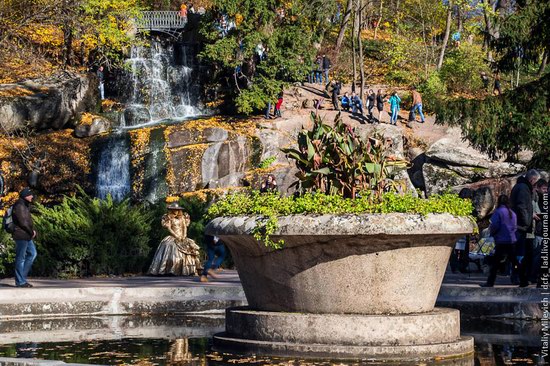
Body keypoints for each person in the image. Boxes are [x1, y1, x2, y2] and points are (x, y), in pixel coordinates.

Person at [148, 203, 202, 276]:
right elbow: (169, 228)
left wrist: (184, 235)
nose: (175, 211)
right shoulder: (169, 218)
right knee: (169, 247)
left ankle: (188, 270)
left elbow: (184, 227)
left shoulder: (182, 218)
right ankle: (169, 270)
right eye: (174, 210)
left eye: (177, 210)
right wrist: (176, 236)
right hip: (173, 237)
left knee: (191, 249)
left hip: (182, 237)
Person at [510, 169, 540, 287]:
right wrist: (527, 221)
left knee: (521, 253)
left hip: (519, 225)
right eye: (535, 182)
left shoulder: (521, 186)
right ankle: (517, 276)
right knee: (519, 253)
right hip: (520, 226)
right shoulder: (523, 188)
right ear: (532, 179)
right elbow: (522, 207)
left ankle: (519, 276)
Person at [481, 195, 518, 287]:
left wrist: (493, 233)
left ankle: (490, 282)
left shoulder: (498, 212)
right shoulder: (512, 213)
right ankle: (522, 278)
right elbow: (515, 226)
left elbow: (494, 225)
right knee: (515, 262)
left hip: (501, 240)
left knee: (495, 263)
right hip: (511, 240)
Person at [12, 188, 37, 288]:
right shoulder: (19, 206)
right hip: (21, 234)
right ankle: (20, 281)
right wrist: (31, 232)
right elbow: (23, 223)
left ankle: (21, 277)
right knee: (20, 258)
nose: (32, 197)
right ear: (26, 195)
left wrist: (32, 232)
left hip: (26, 235)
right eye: (30, 195)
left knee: (33, 253)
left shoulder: (25, 205)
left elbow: (27, 221)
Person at [450, 188, 473, 273]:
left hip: (457, 230)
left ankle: (455, 267)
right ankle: (461, 266)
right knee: (462, 250)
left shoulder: (456, 204)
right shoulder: (467, 205)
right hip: (463, 229)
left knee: (456, 250)